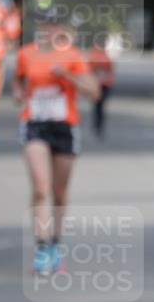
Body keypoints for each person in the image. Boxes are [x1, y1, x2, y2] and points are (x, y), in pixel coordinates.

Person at [13, 19, 100, 275]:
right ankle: (41, 247)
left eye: (53, 26)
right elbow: (18, 81)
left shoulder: (72, 56)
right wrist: (18, 92)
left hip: (64, 126)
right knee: (40, 188)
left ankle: (55, 245)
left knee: (59, 193)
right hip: (34, 123)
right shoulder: (25, 53)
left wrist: (67, 75)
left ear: (61, 29)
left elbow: (93, 92)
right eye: (44, 26)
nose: (48, 31)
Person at [87, 41, 115, 138]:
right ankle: (98, 125)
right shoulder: (104, 56)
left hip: (102, 85)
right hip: (100, 85)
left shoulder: (94, 56)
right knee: (99, 107)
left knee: (98, 106)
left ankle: (97, 125)